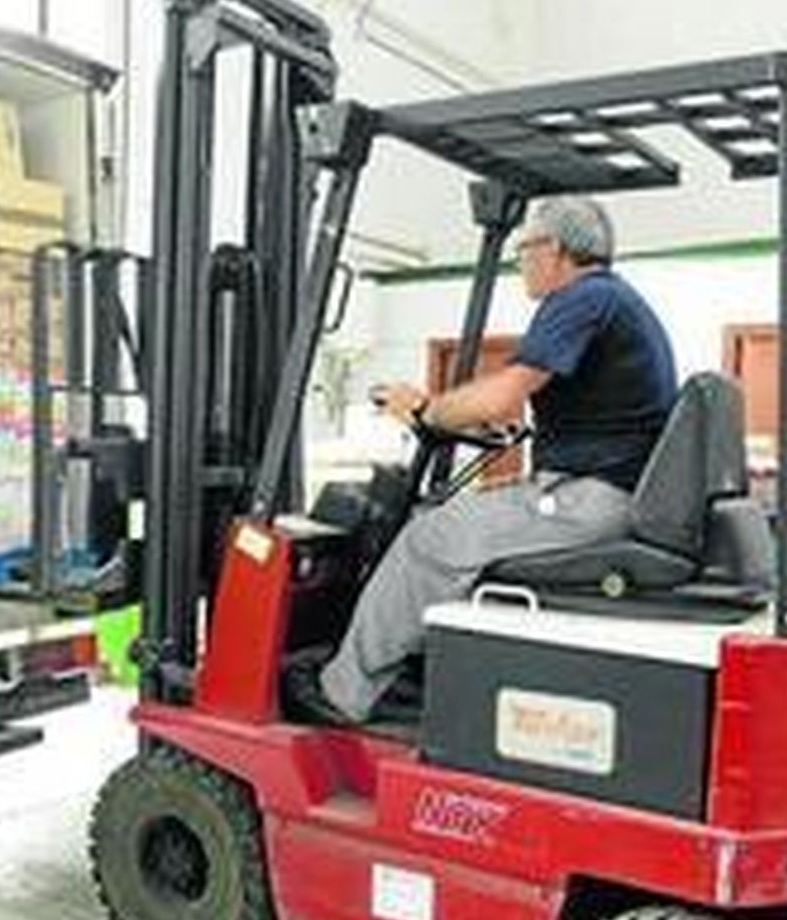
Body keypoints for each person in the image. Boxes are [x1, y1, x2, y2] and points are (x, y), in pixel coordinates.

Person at [288, 196, 678, 726]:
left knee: (427, 539)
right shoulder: (612, 300)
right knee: (437, 520)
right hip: (600, 492)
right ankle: (409, 669)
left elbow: (502, 396)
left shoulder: (581, 297)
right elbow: (525, 406)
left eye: (524, 249)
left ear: (554, 249)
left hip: (587, 499)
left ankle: (342, 694)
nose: (522, 262)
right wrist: (461, 417)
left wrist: (425, 408)